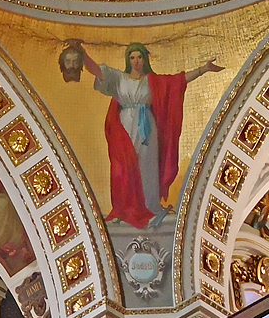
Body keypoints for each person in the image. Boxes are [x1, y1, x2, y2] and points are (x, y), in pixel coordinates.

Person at [78, 42, 223, 229]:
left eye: (139, 57)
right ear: (128, 60)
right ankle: (124, 209)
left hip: (147, 126)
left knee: (146, 165)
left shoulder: (153, 81)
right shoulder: (118, 78)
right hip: (124, 127)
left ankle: (148, 206)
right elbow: (98, 71)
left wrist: (204, 69)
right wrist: (82, 54)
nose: (136, 61)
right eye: (132, 57)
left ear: (145, 59)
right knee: (124, 167)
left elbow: (178, 81)